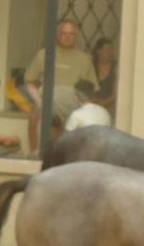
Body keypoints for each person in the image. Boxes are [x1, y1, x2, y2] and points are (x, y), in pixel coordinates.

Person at [23, 19, 96, 155]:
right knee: (36, 116)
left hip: (73, 106)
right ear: (57, 35)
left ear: (76, 37)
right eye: (64, 33)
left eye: (71, 34)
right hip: (48, 104)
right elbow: (29, 82)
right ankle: (35, 155)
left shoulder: (84, 59)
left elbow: (91, 90)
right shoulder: (44, 54)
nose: (67, 37)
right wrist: (40, 101)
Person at [89, 37, 117, 118]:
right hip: (92, 105)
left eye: (112, 50)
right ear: (98, 51)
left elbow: (117, 94)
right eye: (107, 50)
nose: (110, 53)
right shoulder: (91, 67)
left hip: (110, 106)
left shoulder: (116, 68)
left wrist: (103, 102)